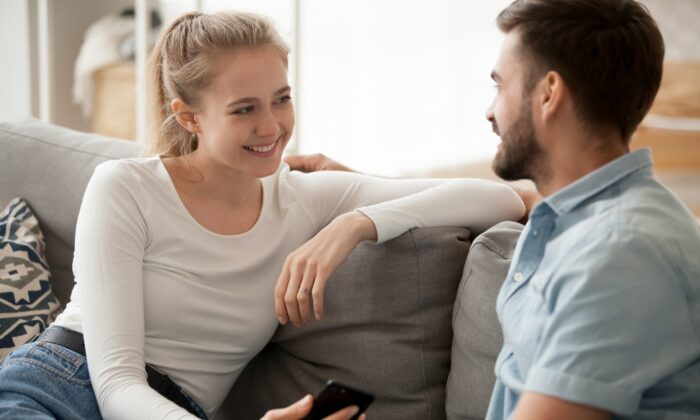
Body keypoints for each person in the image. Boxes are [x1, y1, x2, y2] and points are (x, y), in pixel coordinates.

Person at [0, 11, 526, 420]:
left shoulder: (304, 198)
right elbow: (115, 385)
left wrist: (356, 223)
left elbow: (499, 200)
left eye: (281, 99)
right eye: (244, 109)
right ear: (188, 117)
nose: (271, 126)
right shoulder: (125, 187)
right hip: (58, 389)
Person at [294, 0, 700, 418]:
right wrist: (360, 198)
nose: (490, 112)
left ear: (548, 94)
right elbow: (502, 198)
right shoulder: (584, 214)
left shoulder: (618, 256)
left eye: (500, 86)